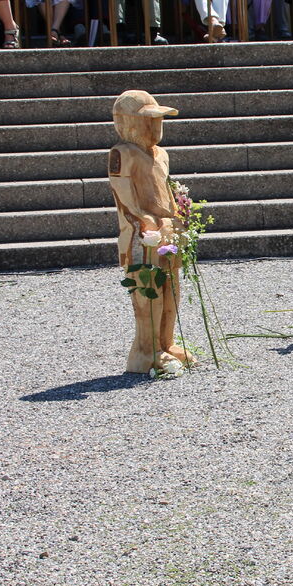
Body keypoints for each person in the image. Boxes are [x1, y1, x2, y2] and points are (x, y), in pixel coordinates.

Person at [108, 89, 194, 374]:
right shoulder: (122, 153)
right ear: (130, 122)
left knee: (172, 290)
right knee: (148, 292)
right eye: (149, 120)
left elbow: (166, 191)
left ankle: (166, 343)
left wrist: (179, 215)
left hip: (167, 230)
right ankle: (147, 351)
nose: (156, 126)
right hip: (141, 235)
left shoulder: (162, 154)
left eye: (158, 120)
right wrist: (146, 221)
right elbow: (125, 198)